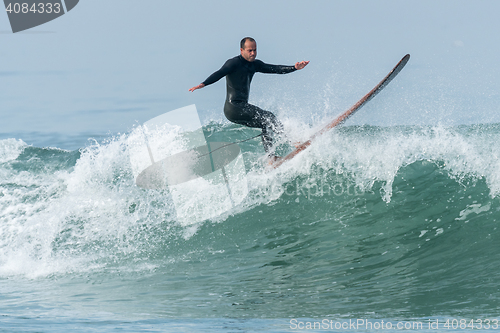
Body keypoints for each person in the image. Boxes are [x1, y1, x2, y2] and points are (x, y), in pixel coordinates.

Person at [189, 37, 309, 161]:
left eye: (255, 50)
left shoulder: (255, 65)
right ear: (242, 50)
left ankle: (271, 159)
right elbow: (219, 73)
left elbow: (275, 69)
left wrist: (294, 68)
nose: (253, 53)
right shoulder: (233, 63)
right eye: (250, 50)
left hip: (240, 107)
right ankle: (293, 141)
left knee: (266, 124)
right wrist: (203, 84)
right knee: (269, 116)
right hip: (233, 107)